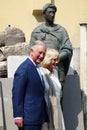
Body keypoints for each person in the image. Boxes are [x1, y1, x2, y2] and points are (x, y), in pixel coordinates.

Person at [29, 3, 73, 88]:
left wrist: (56, 58)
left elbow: (68, 49)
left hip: (58, 67)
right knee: (43, 92)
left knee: (59, 93)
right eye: (49, 12)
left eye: (53, 12)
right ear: (44, 14)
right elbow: (31, 50)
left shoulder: (61, 31)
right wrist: (44, 60)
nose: (52, 15)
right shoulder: (37, 31)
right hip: (42, 67)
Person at [12, 40, 49, 130]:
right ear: (31, 51)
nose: (42, 56)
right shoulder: (24, 69)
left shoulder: (36, 68)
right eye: (40, 53)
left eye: (44, 54)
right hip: (28, 120)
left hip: (37, 118)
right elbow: (17, 93)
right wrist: (18, 115)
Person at [41, 48, 65, 130]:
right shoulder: (41, 72)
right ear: (48, 60)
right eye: (54, 60)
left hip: (57, 107)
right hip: (47, 109)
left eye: (57, 59)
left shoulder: (55, 72)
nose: (57, 62)